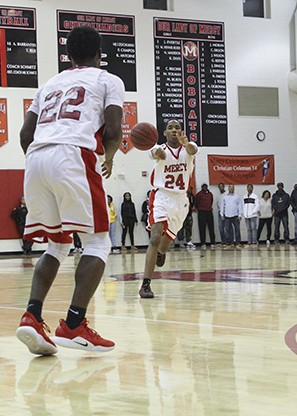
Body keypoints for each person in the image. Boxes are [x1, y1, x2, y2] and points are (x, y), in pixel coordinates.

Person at [15, 26, 123, 354]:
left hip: (36, 157)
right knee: (98, 242)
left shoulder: (50, 83)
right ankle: (74, 323)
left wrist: (42, 163)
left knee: (57, 245)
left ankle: (32, 316)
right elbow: (115, 129)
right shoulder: (107, 80)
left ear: (69, 55)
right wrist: (111, 156)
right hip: (73, 154)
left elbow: (25, 133)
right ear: (98, 54)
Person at [140, 120, 198, 298]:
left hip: (181, 201)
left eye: (177, 128)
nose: (174, 130)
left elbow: (193, 151)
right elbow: (154, 153)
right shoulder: (159, 149)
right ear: (165, 133)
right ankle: (145, 285)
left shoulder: (189, 147)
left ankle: (161, 252)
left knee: (163, 247)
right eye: (170, 128)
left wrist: (186, 143)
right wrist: (158, 152)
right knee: (155, 237)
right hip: (162, 197)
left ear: (181, 132)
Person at [195, 183, 216, 247]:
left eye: (206, 187)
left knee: (211, 227)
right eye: (203, 187)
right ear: (201, 187)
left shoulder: (210, 194)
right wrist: (200, 209)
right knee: (202, 227)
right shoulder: (199, 194)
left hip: (209, 211)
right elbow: (196, 203)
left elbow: (211, 201)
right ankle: (203, 243)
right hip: (201, 212)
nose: (205, 188)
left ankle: (213, 242)